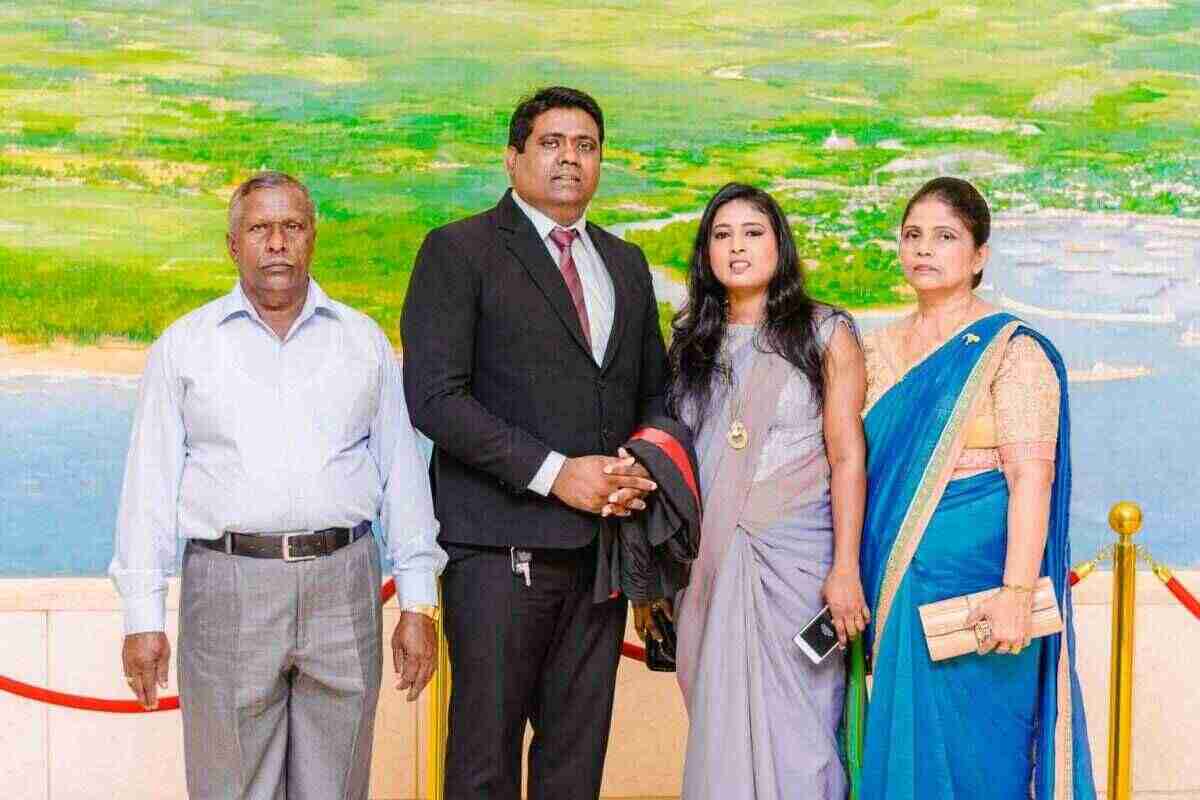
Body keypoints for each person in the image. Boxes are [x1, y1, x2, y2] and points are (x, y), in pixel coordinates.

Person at [110, 171, 446, 800]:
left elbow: (403, 478)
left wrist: (418, 602)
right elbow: (147, 491)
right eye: (259, 228)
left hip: (344, 582)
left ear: (312, 237)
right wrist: (142, 617)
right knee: (230, 787)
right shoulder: (185, 347)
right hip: (229, 585)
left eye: (292, 226)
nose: (277, 243)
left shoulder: (363, 341)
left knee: (338, 788)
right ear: (232, 245)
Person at [400, 86, 668, 800]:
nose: (569, 159)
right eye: (551, 143)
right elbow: (435, 399)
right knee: (483, 764)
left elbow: (656, 396)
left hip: (601, 557)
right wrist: (555, 474)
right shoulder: (459, 251)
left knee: (575, 765)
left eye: (586, 146)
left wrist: (639, 471)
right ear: (513, 158)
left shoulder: (626, 262)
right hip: (498, 554)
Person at [855, 177, 1096, 799]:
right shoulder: (873, 352)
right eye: (912, 235)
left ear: (979, 254)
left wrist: (1017, 592)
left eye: (945, 236)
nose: (924, 248)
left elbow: (1031, 477)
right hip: (898, 582)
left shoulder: (1011, 351)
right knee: (906, 744)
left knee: (983, 756)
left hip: (982, 594)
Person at [660, 183, 869, 800]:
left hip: (799, 566)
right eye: (722, 235)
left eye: (753, 233)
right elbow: (679, 463)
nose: (737, 247)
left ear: (780, 244)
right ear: (706, 252)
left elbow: (847, 456)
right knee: (720, 732)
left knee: (804, 737)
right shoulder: (691, 344)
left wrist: (846, 567)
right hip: (709, 564)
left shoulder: (824, 333)